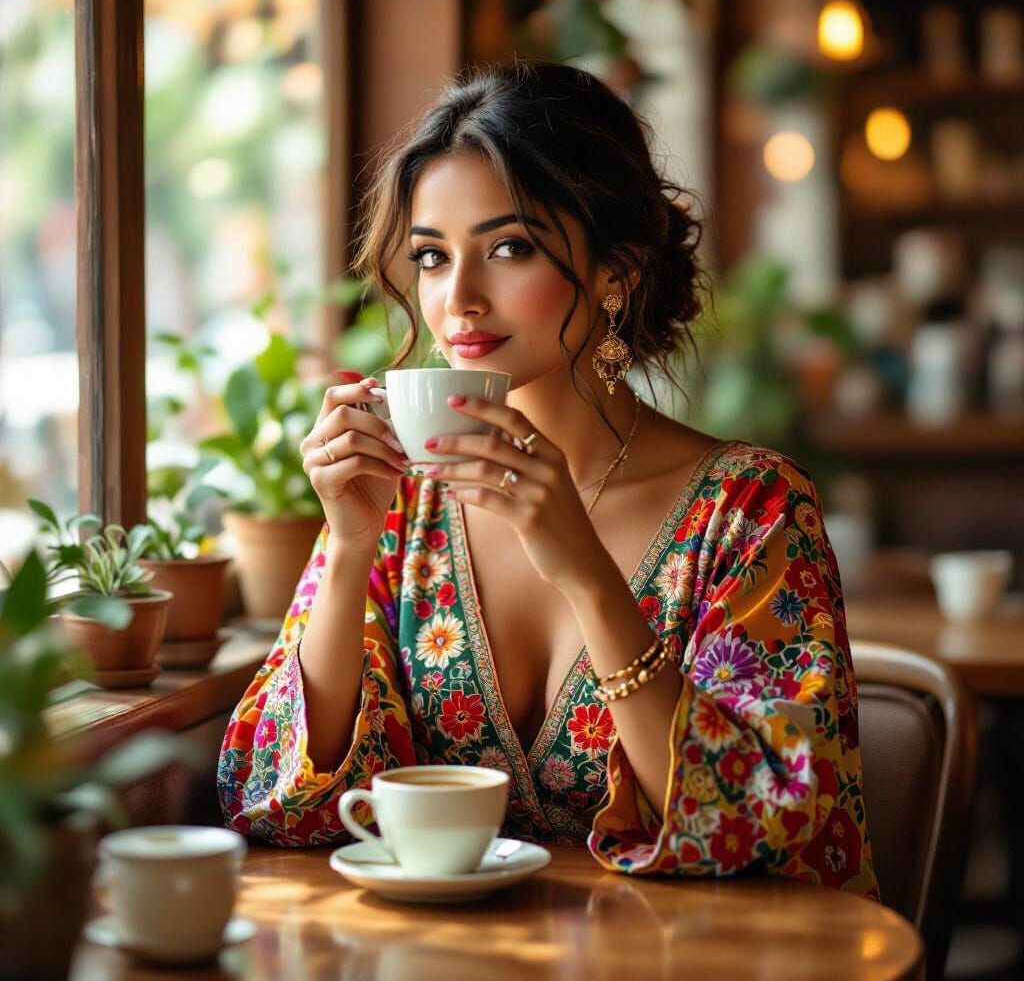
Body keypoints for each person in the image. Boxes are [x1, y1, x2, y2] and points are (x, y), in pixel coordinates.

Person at [217, 59, 879, 899]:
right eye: (430, 256)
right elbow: (275, 802)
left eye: (509, 248)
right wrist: (348, 547)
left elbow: (768, 823)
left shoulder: (750, 512)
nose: (458, 298)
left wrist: (583, 569)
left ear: (616, 271)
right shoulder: (403, 507)